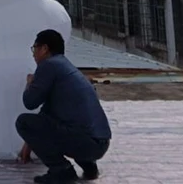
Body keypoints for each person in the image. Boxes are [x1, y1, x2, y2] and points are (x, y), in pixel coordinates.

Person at [15, 29, 111, 183]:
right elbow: (47, 114)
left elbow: (30, 102)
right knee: (64, 123)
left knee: (23, 122)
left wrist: (29, 84)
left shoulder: (48, 66)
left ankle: (61, 170)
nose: (33, 54)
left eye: (35, 48)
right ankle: (89, 166)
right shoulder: (66, 67)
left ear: (44, 48)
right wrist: (29, 145)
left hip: (84, 141)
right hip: (100, 143)